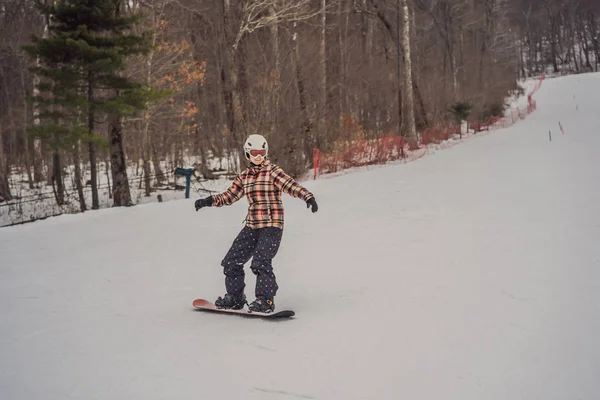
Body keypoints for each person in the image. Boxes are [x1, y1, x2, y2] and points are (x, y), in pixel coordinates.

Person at [194, 134, 318, 313]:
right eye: (254, 153)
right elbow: (230, 196)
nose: (258, 156)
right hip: (252, 226)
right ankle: (235, 297)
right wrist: (209, 200)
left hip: (272, 225)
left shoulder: (273, 172)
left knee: (260, 262)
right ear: (247, 154)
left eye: (261, 152)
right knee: (231, 261)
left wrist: (308, 196)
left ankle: (265, 300)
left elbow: (290, 185)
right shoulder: (244, 177)